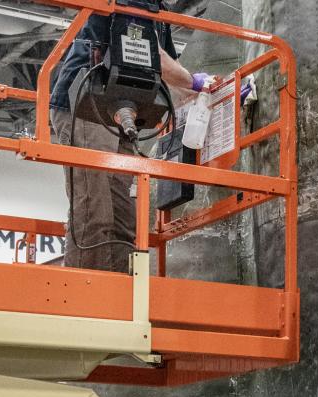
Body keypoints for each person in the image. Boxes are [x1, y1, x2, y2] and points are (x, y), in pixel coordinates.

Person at [49, 4, 216, 273]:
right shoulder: (137, 2)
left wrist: (212, 92)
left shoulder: (158, 13)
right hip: (85, 103)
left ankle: (121, 300)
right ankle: (86, 298)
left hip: (119, 108)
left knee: (125, 220)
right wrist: (193, 82)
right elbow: (152, 54)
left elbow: (169, 77)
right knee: (96, 210)